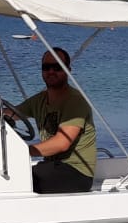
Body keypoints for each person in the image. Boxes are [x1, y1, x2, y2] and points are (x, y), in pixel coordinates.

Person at [13, 48, 97, 193]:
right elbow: (11, 113)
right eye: (46, 67)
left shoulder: (75, 101)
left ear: (68, 70)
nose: (51, 71)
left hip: (77, 172)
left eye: (57, 67)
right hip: (53, 167)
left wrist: (21, 151)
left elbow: (61, 143)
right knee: (9, 173)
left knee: (20, 178)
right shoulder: (40, 100)